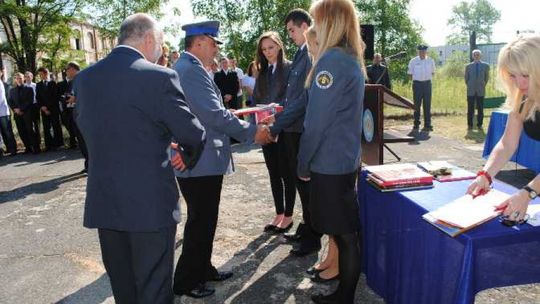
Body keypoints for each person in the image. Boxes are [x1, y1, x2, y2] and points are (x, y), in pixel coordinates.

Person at [72, 13, 206, 304]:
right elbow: (193, 134)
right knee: (154, 291)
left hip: (105, 204)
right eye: (159, 43)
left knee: (125, 292)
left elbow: (89, 131)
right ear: (148, 39)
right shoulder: (159, 76)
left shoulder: (84, 79)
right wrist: (185, 155)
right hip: (150, 206)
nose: (160, 50)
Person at [172, 20, 270, 299]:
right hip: (199, 160)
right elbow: (214, 115)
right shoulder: (190, 71)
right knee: (201, 221)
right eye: (214, 44)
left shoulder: (192, 69)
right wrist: (253, 133)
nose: (216, 50)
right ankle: (186, 281)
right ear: (200, 42)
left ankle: (203, 269)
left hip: (201, 159)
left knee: (206, 219)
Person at [297, 0, 365, 302]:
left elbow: (315, 124)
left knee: (346, 235)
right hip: (342, 160)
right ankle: (344, 293)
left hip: (330, 163)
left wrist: (303, 162)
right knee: (344, 232)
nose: (313, 27)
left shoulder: (333, 61)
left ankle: (345, 296)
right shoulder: (347, 57)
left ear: (331, 22)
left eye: (316, 20)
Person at [467, 35, 540, 225]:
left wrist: (528, 192)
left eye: (525, 75)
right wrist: (486, 174)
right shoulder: (523, 98)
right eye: (513, 76)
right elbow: (507, 143)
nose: (519, 84)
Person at [252, 31, 294, 234]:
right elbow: (255, 100)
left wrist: (277, 113)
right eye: (264, 49)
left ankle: (288, 215)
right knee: (273, 173)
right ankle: (278, 213)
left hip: (285, 129)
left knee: (287, 174)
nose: (268, 52)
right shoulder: (262, 72)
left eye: (271, 47)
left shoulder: (290, 68)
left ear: (279, 46)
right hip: (267, 130)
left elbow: (293, 100)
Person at [64, 62, 89, 172]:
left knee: (86, 141)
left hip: (84, 115)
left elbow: (87, 94)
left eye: (67, 69)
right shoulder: (71, 82)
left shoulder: (83, 78)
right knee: (81, 141)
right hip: (75, 113)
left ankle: (92, 165)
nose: (66, 71)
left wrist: (75, 98)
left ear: (73, 69)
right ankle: (88, 164)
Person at [8, 73, 40, 154]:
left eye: (20, 78)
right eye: (17, 78)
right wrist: (15, 109)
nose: (19, 79)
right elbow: (10, 102)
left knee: (30, 130)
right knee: (21, 132)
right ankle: (28, 147)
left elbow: (29, 101)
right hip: (17, 114)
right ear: (15, 79)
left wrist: (21, 109)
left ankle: (36, 147)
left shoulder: (29, 89)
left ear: (24, 79)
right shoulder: (12, 90)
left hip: (27, 113)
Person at [408, 44, 435, 131]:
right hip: (417, 85)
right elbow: (410, 74)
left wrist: (426, 79)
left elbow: (433, 72)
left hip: (427, 84)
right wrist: (416, 82)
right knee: (417, 105)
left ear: (426, 52)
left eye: (423, 51)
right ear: (418, 52)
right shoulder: (413, 61)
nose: (422, 53)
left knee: (427, 105)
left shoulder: (430, 60)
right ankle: (416, 123)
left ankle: (427, 124)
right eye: (420, 51)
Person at [36, 67, 64, 150]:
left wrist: (48, 108)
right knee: (46, 127)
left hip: (53, 109)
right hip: (44, 110)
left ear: (46, 74)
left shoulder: (53, 83)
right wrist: (42, 107)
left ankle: (58, 144)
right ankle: (49, 145)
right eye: (39, 74)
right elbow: (38, 97)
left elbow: (55, 97)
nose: (40, 76)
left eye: (41, 74)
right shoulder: (38, 85)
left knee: (56, 126)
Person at [465, 49, 490, 130]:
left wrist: (482, 85)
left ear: (480, 56)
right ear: (472, 56)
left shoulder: (486, 66)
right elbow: (466, 79)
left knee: (480, 108)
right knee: (470, 108)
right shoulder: (468, 66)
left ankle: (479, 124)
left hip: (480, 90)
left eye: (478, 54)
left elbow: (486, 78)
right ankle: (470, 125)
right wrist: (470, 85)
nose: (476, 56)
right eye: (475, 55)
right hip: (471, 90)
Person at [0, 69, 17, 156]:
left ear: (1, 73)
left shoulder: (4, 85)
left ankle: (13, 149)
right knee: (2, 133)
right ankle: (6, 148)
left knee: (7, 131)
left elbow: (3, 99)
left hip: (3, 112)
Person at [24, 71, 42, 151]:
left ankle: (39, 143)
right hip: (28, 108)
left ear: (32, 77)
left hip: (35, 106)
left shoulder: (36, 85)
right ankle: (32, 144)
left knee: (37, 125)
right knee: (29, 126)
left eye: (29, 76)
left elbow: (38, 96)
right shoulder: (24, 87)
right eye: (26, 76)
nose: (27, 78)